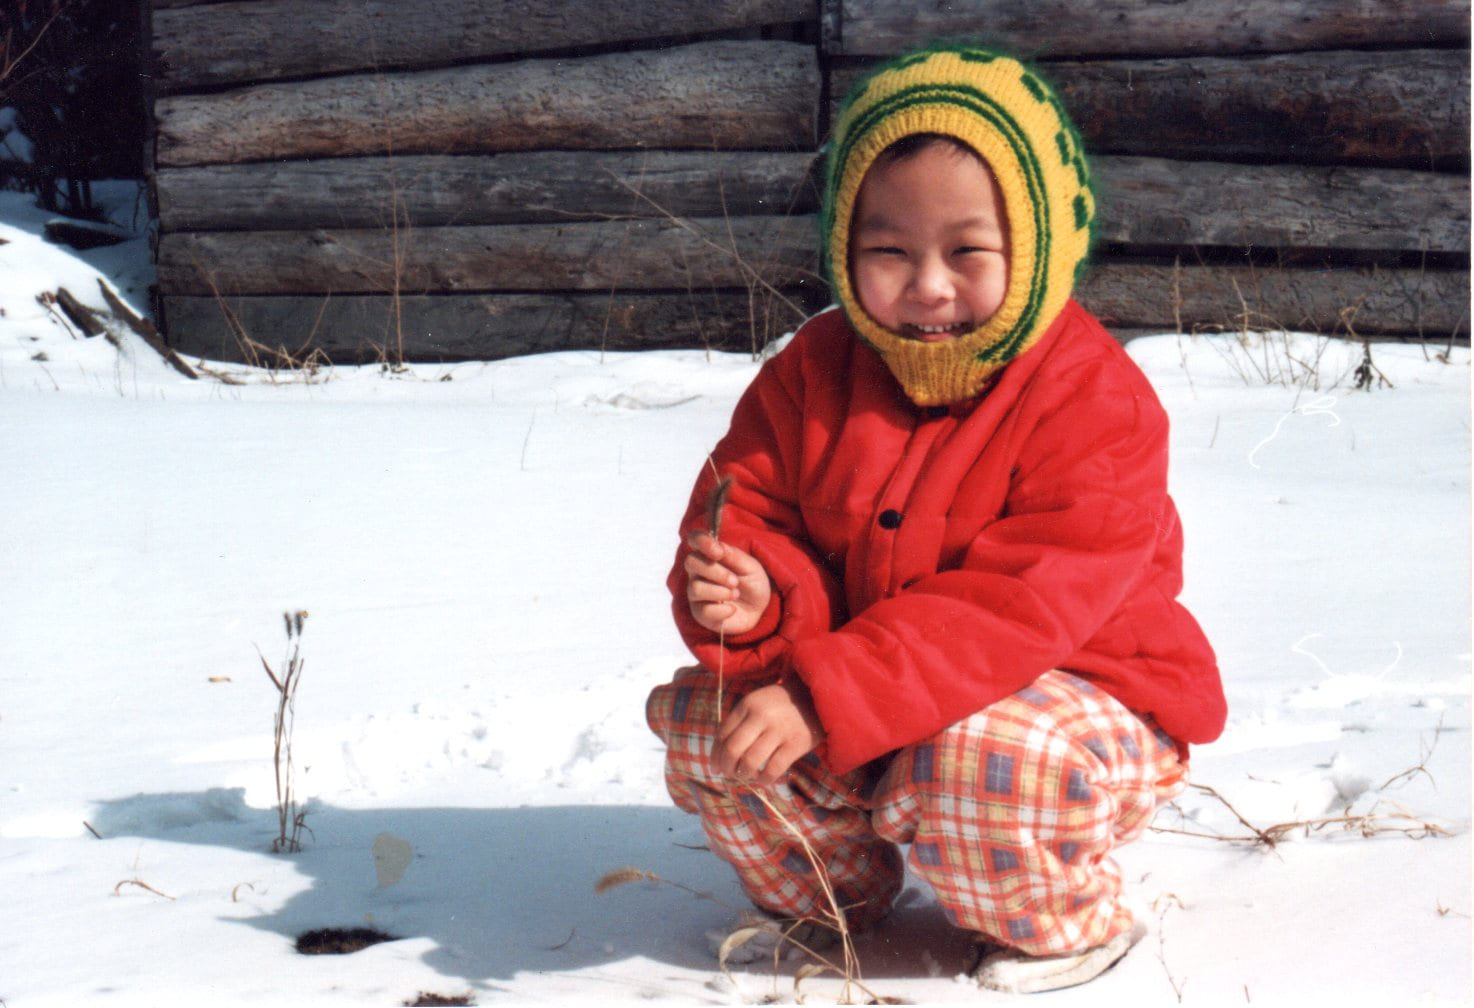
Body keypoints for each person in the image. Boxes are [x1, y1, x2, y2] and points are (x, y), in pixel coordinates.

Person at [646, 45, 1226, 994]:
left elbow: (1019, 606)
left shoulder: (1092, 400)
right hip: (869, 704)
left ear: (1035, 248)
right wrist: (753, 597)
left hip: (1076, 704)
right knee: (711, 722)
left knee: (982, 755)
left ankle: (1059, 921)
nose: (927, 284)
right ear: (844, 247)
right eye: (888, 251)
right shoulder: (812, 370)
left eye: (967, 251)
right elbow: (743, 509)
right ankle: (831, 900)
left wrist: (825, 694)